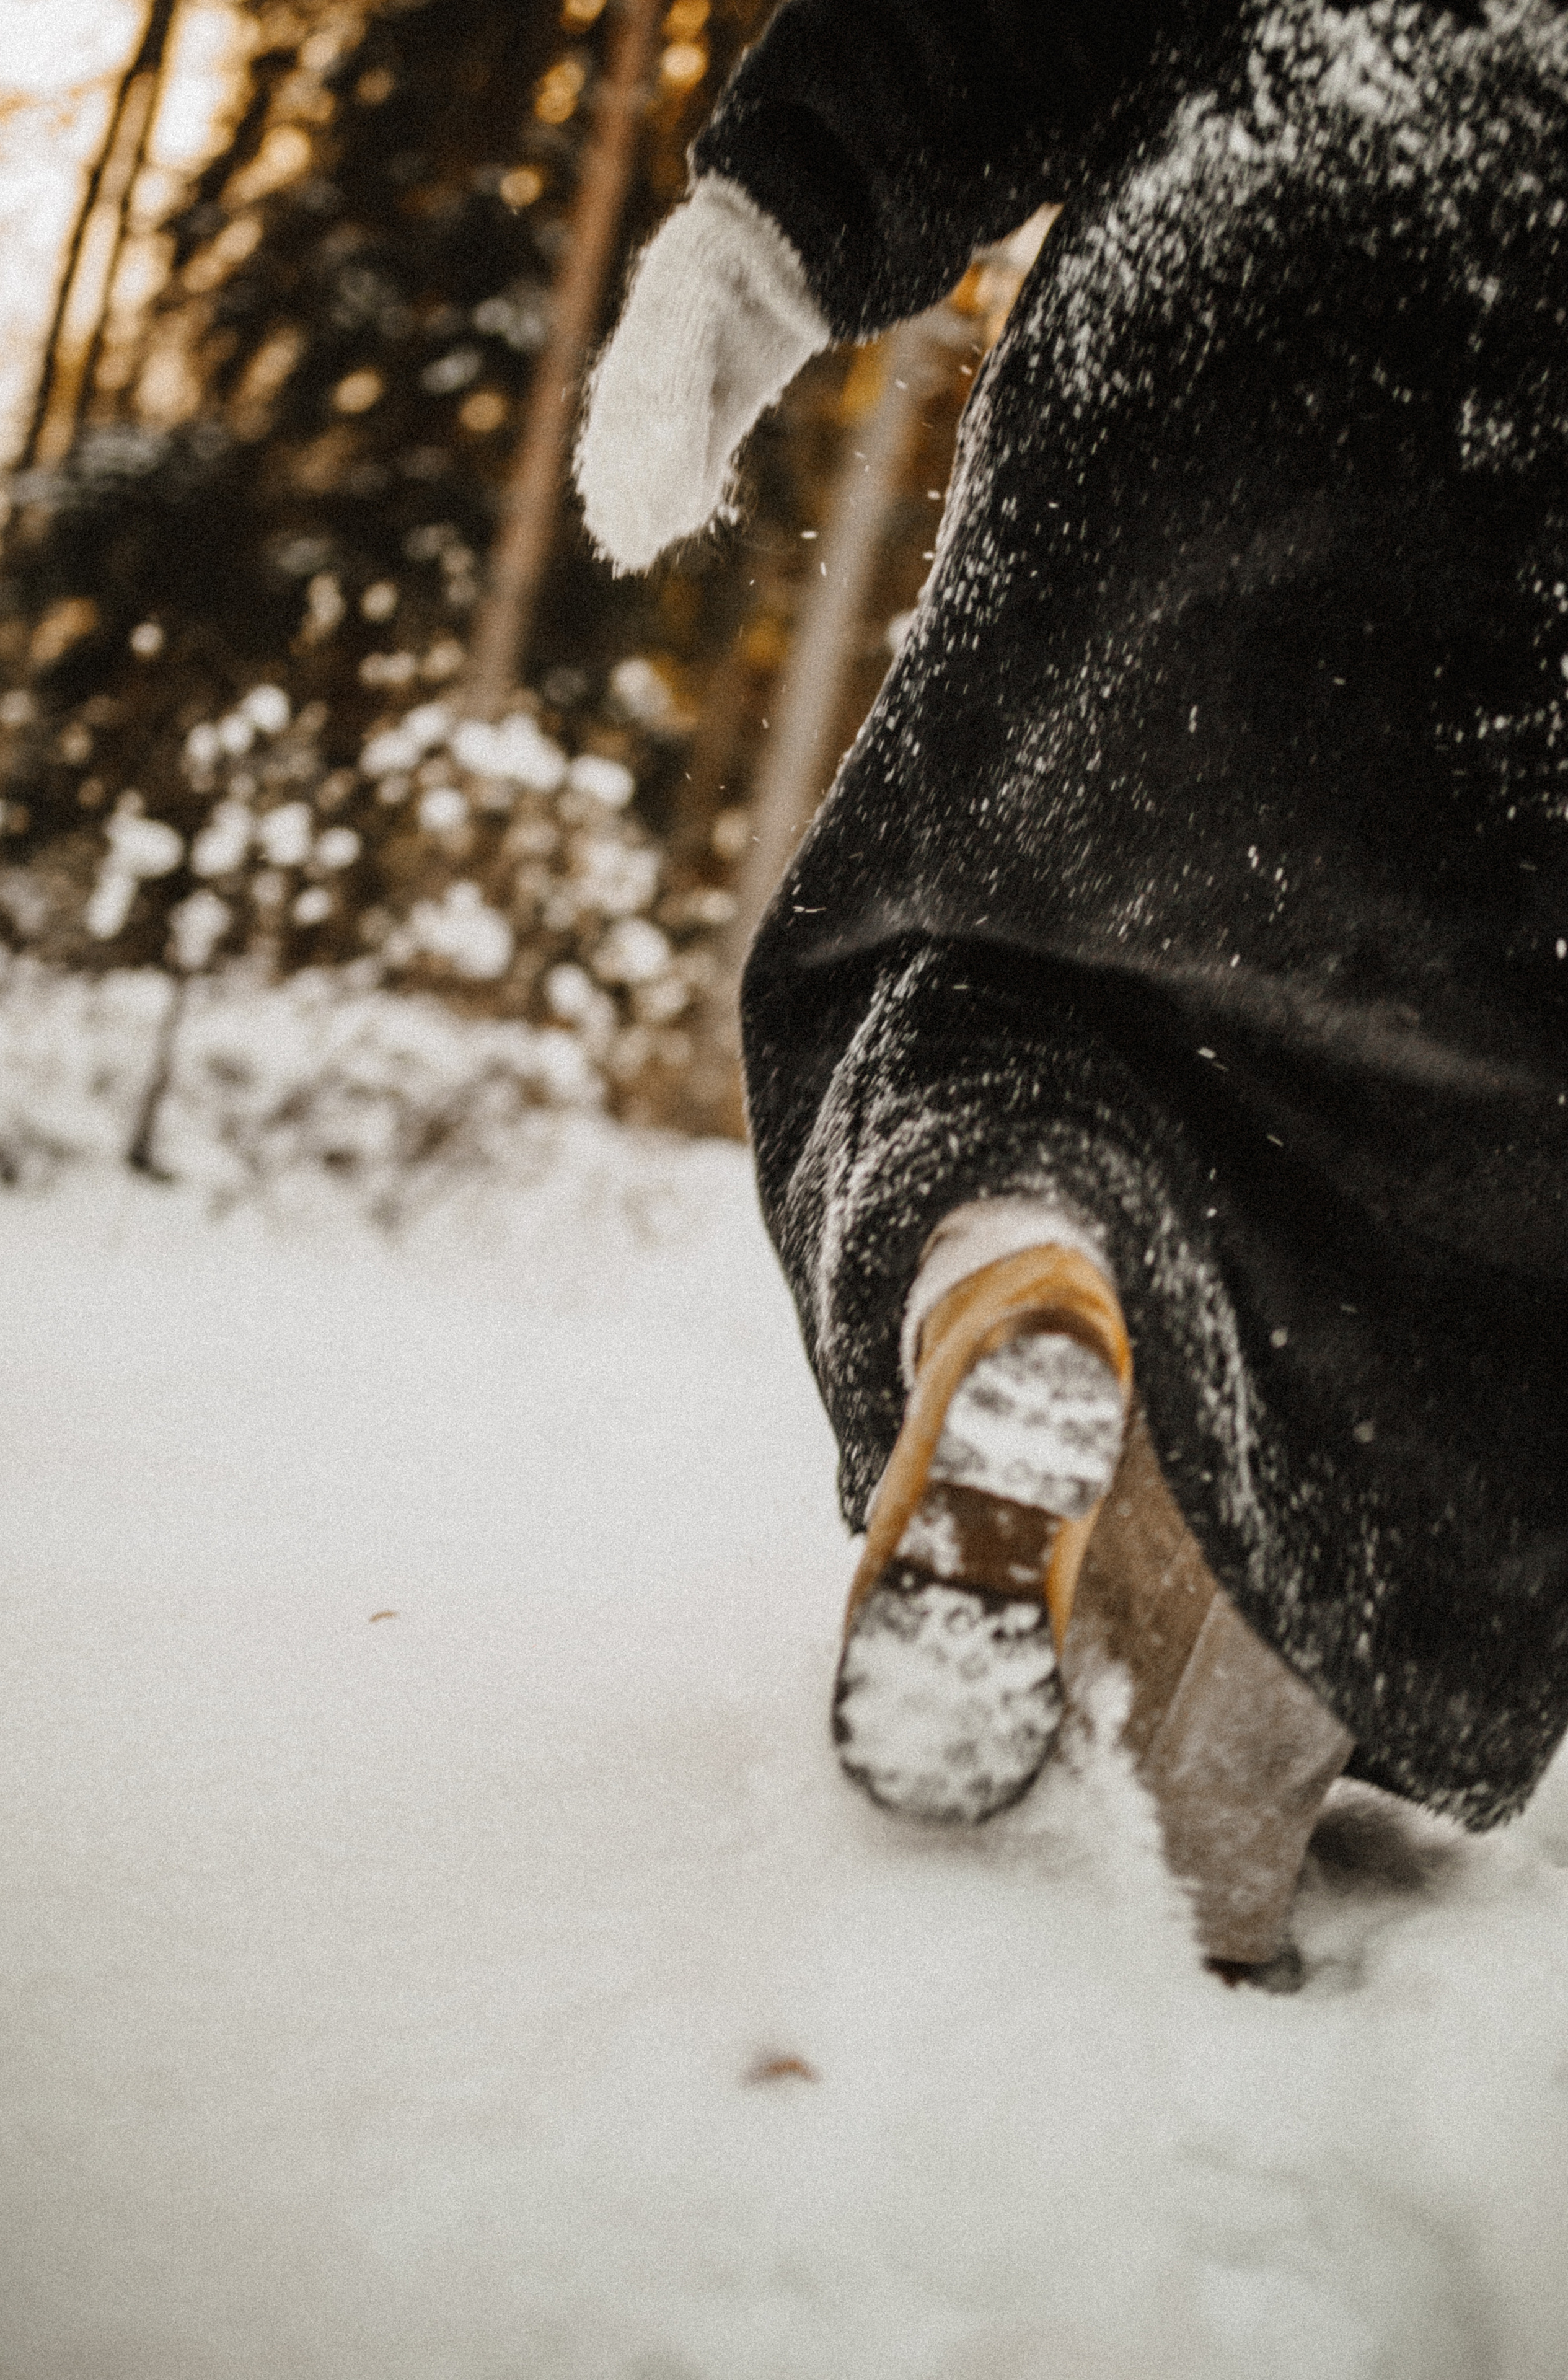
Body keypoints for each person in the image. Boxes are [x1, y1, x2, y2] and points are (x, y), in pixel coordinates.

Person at [575, 0, 1568, 1982]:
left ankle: (1026, 1240)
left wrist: (783, 219)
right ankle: (1235, 1728)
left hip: (1272, 245)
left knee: (1015, 973)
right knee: (1489, 1209)